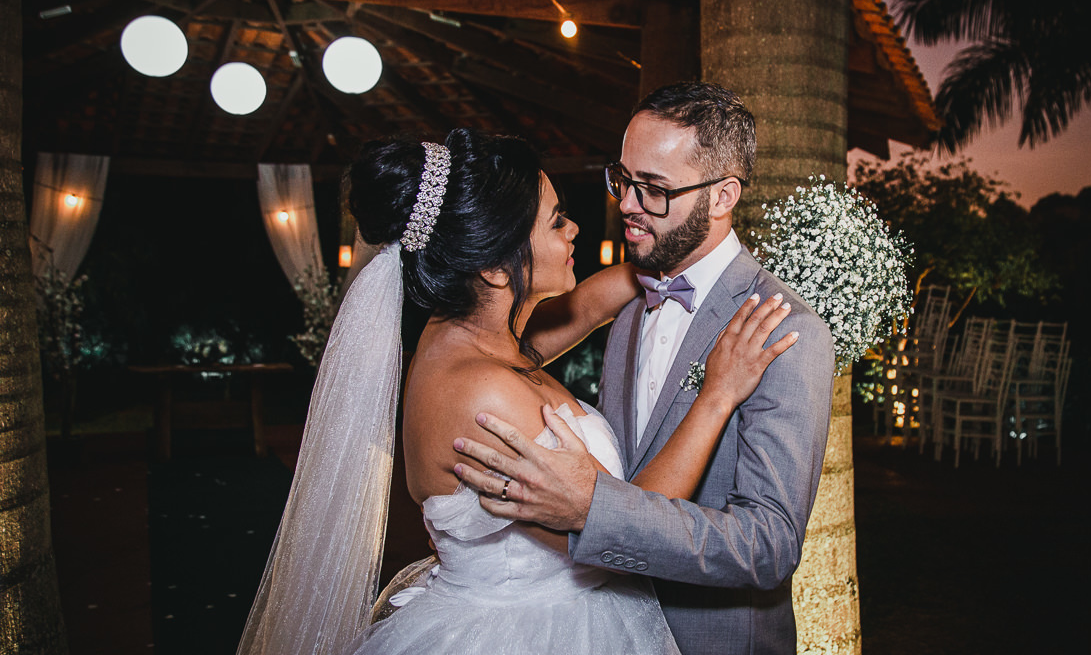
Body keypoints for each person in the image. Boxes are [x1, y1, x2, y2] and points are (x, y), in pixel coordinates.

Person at [236, 127, 798, 655]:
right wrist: (717, 395)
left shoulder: (463, 337)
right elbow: (630, 528)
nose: (575, 228)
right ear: (497, 270)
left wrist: (674, 261)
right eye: (557, 223)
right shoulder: (486, 398)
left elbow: (577, 313)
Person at [454, 82, 836, 655]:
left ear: (722, 195)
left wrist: (593, 510)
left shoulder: (781, 328)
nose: (627, 205)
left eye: (654, 189)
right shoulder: (631, 306)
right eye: (624, 179)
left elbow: (769, 545)